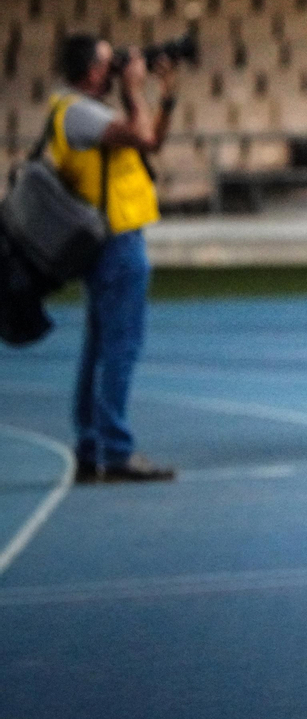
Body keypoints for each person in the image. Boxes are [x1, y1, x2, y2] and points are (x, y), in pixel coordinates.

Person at [53, 34, 179, 484]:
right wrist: (133, 91)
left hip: (109, 239)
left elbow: (151, 144)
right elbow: (142, 135)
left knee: (99, 349)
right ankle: (116, 451)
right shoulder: (80, 113)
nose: (117, 68)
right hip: (115, 242)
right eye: (109, 63)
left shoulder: (78, 111)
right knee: (120, 348)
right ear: (91, 72)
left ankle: (91, 449)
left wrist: (166, 96)